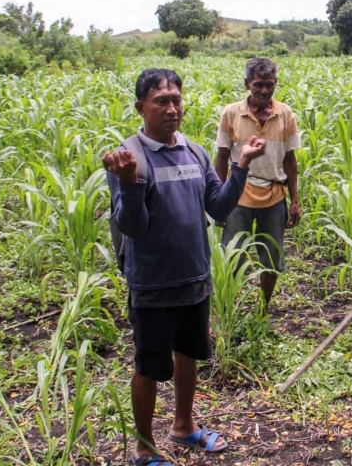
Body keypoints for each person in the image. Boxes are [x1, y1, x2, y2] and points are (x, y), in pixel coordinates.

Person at [103, 69, 266, 466]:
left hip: (194, 277)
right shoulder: (129, 157)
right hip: (152, 283)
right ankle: (144, 448)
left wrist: (241, 165)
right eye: (162, 101)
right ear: (141, 107)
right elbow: (133, 226)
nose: (172, 109)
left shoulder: (194, 152)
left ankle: (184, 427)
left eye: (177, 100)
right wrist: (128, 182)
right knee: (148, 365)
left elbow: (218, 206)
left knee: (187, 354)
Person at [215, 57, 301, 307]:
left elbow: (290, 160)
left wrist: (294, 200)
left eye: (269, 85)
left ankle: (264, 307)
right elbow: (221, 159)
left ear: (275, 84)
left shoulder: (285, 114)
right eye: (258, 84)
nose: (264, 90)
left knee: (272, 257)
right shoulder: (231, 113)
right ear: (247, 84)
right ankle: (228, 308)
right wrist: (219, 199)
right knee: (232, 256)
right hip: (237, 197)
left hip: (274, 196)